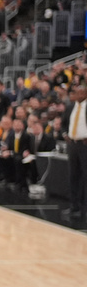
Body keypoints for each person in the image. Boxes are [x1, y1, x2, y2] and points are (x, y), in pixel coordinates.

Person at [62, 83, 87, 220]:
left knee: (85, 176)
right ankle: (74, 206)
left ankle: (85, 208)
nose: (80, 95)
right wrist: (65, 134)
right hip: (72, 144)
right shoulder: (71, 107)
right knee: (73, 176)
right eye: (78, 92)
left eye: (83, 92)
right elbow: (64, 124)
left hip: (85, 144)